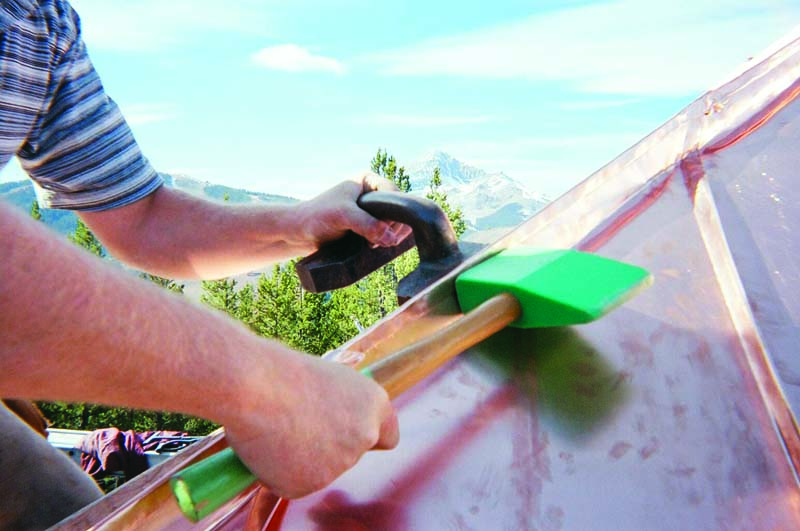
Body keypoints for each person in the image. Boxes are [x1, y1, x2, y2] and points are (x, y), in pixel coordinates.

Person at [0, 1, 403, 528]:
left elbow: (142, 219)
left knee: (64, 506)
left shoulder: (41, 24)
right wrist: (267, 389)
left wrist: (297, 224)